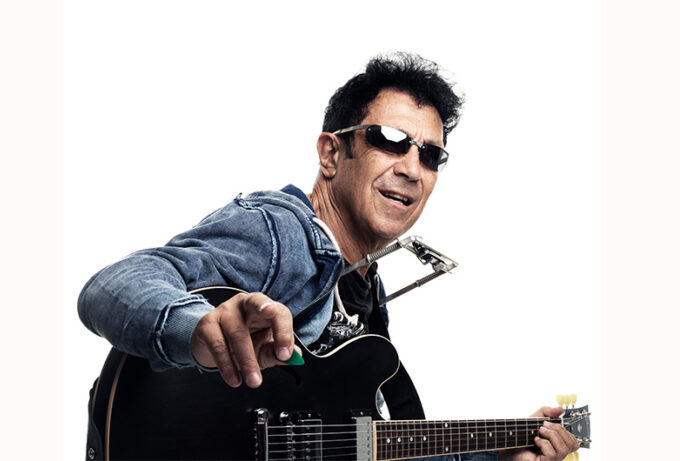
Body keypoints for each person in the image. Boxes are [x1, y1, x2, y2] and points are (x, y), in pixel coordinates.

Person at [79, 52, 579, 461]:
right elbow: (111, 285)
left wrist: (500, 453)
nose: (412, 168)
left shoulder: (364, 289)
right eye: (390, 141)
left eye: (430, 155)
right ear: (331, 154)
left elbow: (359, 444)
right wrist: (197, 330)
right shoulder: (279, 232)